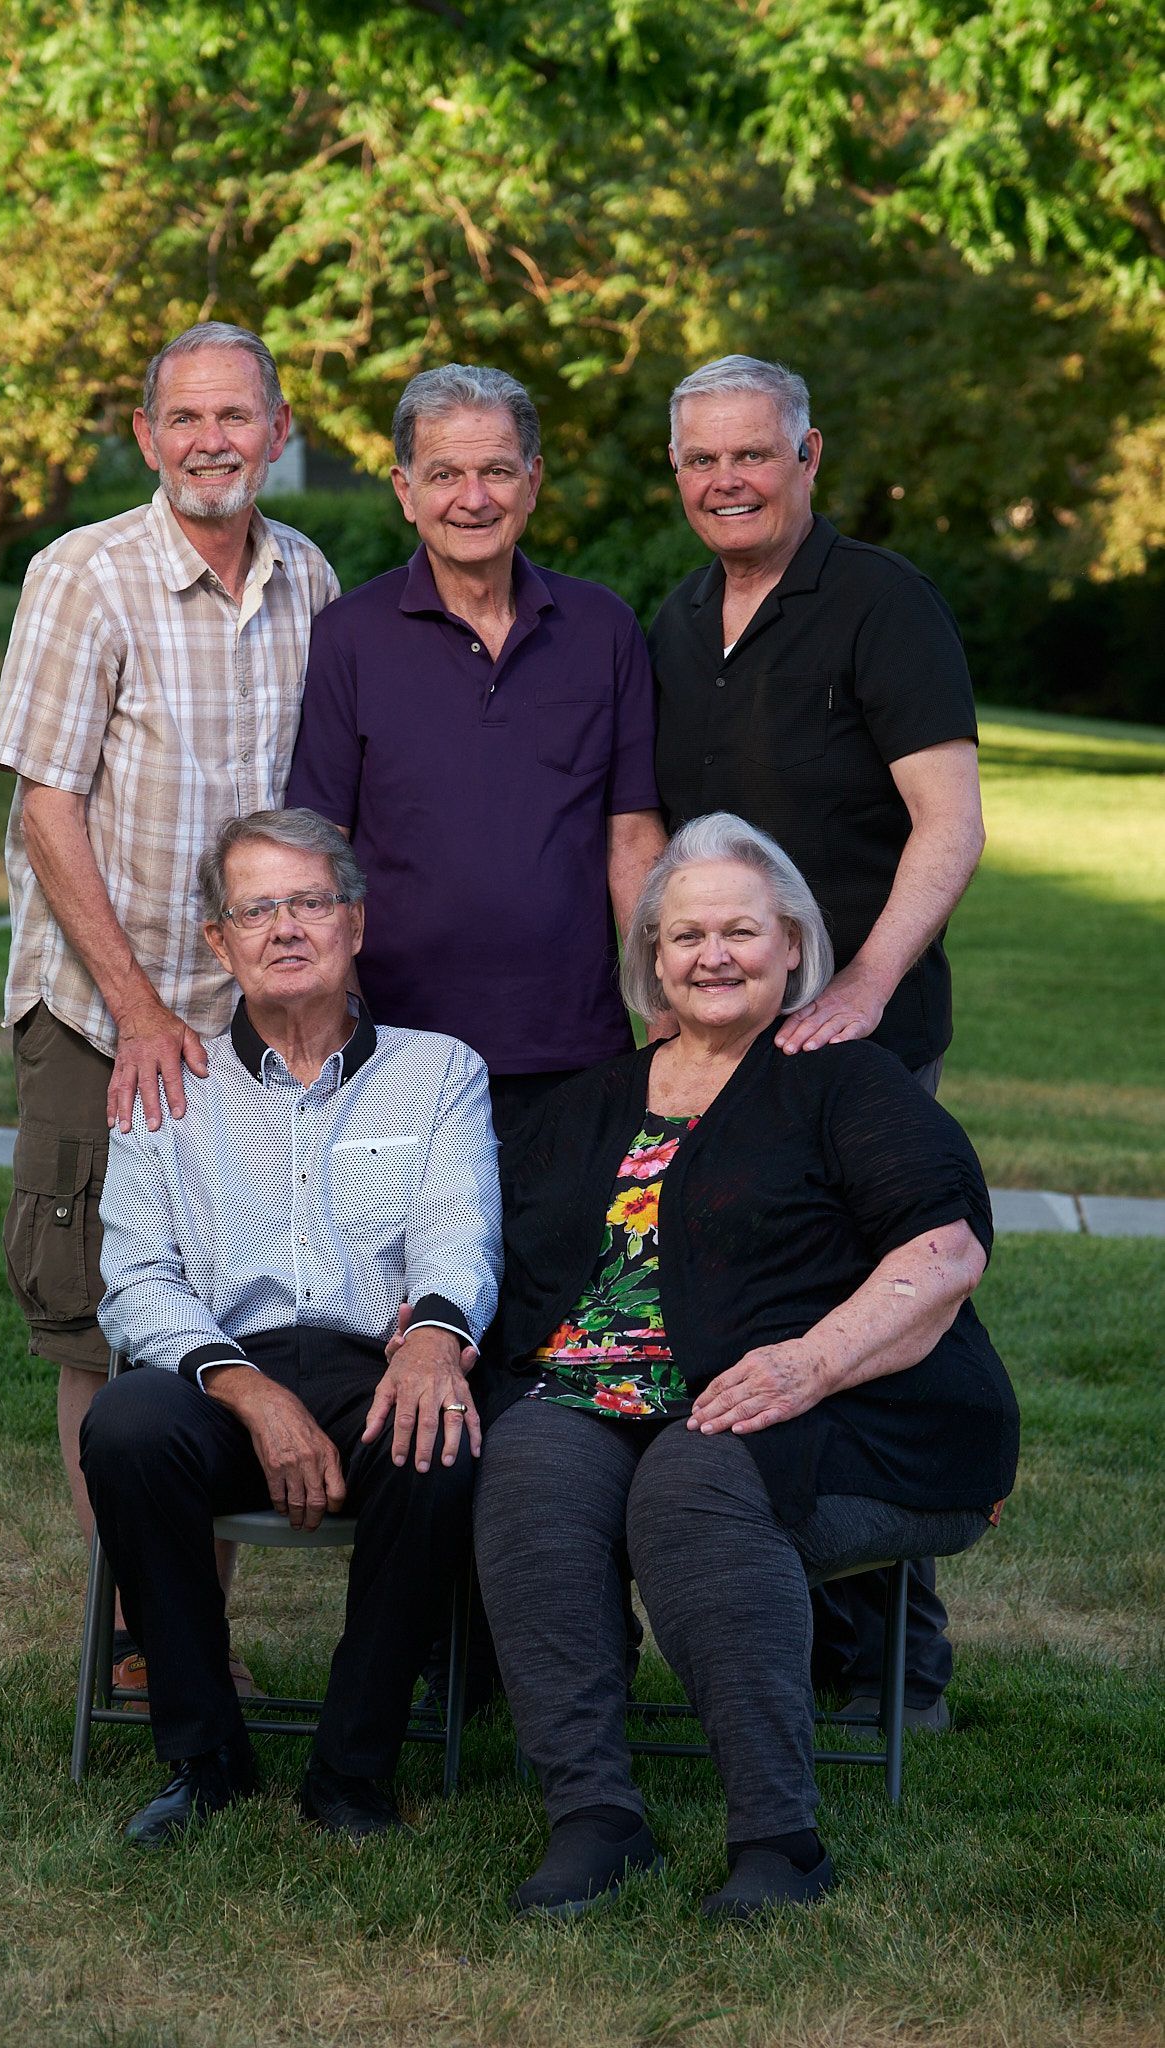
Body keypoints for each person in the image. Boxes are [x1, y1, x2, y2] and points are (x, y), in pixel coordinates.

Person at [472, 813, 1017, 1920]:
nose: (713, 954)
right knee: (526, 1462)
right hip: (599, 1393)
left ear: (791, 947)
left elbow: (945, 1248)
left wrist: (807, 1365)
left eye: (740, 931)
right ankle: (595, 1814)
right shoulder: (589, 1102)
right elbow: (502, 1256)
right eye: (686, 936)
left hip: (848, 1408)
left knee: (699, 1475)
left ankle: (778, 1834)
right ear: (652, 961)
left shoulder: (842, 1081)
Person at [0, 322, 339, 1695]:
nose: (210, 440)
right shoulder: (86, 575)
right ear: (145, 438)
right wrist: (137, 1012)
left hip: (254, 1035)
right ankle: (146, 1640)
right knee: (98, 1326)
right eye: (183, 418)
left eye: (235, 417)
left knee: (229, 1323)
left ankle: (196, 1634)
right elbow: (47, 806)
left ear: (278, 427)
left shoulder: (309, 575)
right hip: (103, 1018)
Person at [648, 354, 989, 1726]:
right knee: (731, 1312)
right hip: (721, 1038)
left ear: (807, 457)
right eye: (700, 462)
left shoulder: (880, 604)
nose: (726, 480)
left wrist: (862, 986)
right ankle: (780, 1621)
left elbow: (948, 823)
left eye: (751, 454)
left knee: (871, 1322)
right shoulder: (675, 619)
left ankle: (895, 1655)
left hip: (858, 1044)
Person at [80, 808, 501, 1845]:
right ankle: (203, 1758)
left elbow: (462, 1235)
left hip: (377, 1362)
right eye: (256, 908)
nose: (286, 927)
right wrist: (246, 1387)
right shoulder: (165, 1080)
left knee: (438, 1435)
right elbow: (135, 1277)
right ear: (220, 942)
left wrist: (435, 1340)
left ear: (355, 921)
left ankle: (352, 1772)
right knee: (127, 1425)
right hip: (225, 1378)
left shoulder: (439, 1069)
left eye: (309, 900)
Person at [285, 362, 668, 1146]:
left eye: (496, 470)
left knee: (563, 1268)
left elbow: (631, 839)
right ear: (403, 490)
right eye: (444, 474)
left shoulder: (603, 630)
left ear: (532, 480)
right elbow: (321, 855)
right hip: (396, 1048)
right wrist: (340, 1026)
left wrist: (659, 1012)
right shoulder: (349, 638)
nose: (473, 497)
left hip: (576, 1043)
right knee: (410, 1270)